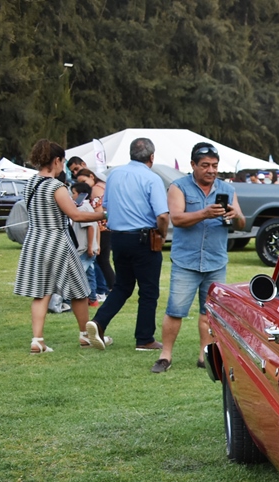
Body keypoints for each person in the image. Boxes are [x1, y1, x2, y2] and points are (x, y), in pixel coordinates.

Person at [151, 142, 244, 374]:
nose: (211, 170)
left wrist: (236, 214)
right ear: (193, 165)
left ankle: (205, 355)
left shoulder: (227, 189)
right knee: (175, 310)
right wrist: (204, 213)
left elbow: (241, 223)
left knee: (209, 312)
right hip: (186, 261)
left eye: (214, 165)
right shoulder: (178, 187)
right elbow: (177, 219)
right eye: (205, 165)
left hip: (215, 261)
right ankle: (165, 355)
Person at [13, 139, 107, 353]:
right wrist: (104, 214)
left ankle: (37, 339)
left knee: (41, 292)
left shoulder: (30, 183)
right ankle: (85, 335)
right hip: (56, 240)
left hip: (35, 240)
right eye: (62, 161)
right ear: (56, 160)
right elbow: (75, 214)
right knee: (80, 290)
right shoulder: (56, 186)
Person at [85, 137, 169, 352]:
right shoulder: (152, 178)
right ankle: (145, 338)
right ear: (152, 157)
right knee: (148, 290)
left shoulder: (114, 175)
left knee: (123, 285)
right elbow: (161, 215)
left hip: (118, 237)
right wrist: (162, 234)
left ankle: (99, 321)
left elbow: (105, 205)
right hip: (143, 238)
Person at [71, 168, 113, 292]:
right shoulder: (103, 187)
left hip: (102, 229)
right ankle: (100, 291)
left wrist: (92, 243)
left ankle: (108, 288)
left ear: (91, 176)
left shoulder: (96, 190)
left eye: (84, 181)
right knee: (98, 263)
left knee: (102, 262)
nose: (84, 184)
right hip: (103, 229)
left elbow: (98, 215)